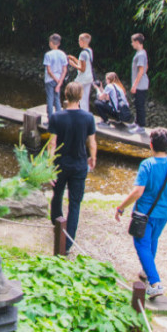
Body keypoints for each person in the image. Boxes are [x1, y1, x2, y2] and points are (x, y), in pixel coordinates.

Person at [114, 128, 167, 299]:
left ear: (151, 145)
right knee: (152, 240)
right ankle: (146, 271)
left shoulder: (147, 165)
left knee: (141, 244)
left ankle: (155, 283)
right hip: (163, 213)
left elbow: (138, 192)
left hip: (144, 213)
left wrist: (121, 207)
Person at [47, 82, 97, 252]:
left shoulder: (56, 117)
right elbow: (92, 142)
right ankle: (67, 244)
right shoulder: (88, 117)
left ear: (65, 95)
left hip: (60, 164)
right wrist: (93, 158)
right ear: (81, 96)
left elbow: (52, 143)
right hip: (79, 164)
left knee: (57, 194)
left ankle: (57, 225)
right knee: (75, 203)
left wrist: (48, 166)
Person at [43, 33, 68, 121]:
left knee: (50, 99)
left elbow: (49, 71)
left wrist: (55, 79)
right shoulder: (63, 54)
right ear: (59, 43)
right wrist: (59, 82)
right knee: (57, 99)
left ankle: (50, 120)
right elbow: (64, 70)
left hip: (50, 80)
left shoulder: (48, 55)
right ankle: (59, 119)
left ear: (50, 43)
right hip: (59, 79)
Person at [67, 33, 94, 112]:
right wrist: (74, 58)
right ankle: (85, 114)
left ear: (83, 41)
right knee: (85, 99)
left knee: (77, 98)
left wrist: (73, 64)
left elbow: (82, 69)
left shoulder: (82, 53)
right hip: (89, 78)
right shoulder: (89, 51)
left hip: (82, 79)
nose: (78, 42)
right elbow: (83, 63)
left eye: (79, 40)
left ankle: (74, 113)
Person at [128, 33, 149, 134]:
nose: (132, 44)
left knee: (140, 104)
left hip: (140, 85)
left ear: (137, 42)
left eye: (132, 42)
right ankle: (136, 122)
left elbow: (141, 70)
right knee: (136, 103)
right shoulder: (142, 53)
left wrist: (135, 85)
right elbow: (146, 67)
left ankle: (141, 126)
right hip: (140, 83)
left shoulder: (140, 54)